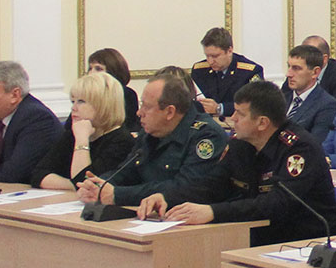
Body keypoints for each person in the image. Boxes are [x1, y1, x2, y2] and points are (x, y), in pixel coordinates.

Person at [142, 79, 336, 245]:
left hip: (306, 241)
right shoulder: (241, 144)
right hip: (256, 238)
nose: (233, 118)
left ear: (262, 123)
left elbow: (277, 204)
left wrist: (213, 212)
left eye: (240, 114)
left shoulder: (299, 149)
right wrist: (167, 197)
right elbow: (211, 185)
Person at [76, 73, 228, 221]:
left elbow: (185, 187)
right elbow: (126, 172)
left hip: (186, 222)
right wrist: (98, 185)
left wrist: (117, 194)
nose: (139, 112)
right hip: (148, 216)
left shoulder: (206, 136)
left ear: (169, 112)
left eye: (146, 107)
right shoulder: (151, 132)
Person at [33, 71, 135, 190]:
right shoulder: (73, 133)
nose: (73, 108)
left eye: (81, 101)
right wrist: (72, 185)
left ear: (103, 104)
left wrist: (82, 140)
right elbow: (38, 175)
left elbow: (86, 183)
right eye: (73, 101)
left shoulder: (122, 142)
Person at [192, 27, 263, 119]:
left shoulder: (250, 71)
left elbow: (255, 104)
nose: (210, 61)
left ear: (229, 51)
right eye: (207, 56)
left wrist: (220, 108)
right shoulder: (199, 70)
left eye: (215, 56)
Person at [280, 44, 336, 142]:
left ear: (315, 72)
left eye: (296, 68)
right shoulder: (282, 98)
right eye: (289, 67)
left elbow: (314, 144)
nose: (288, 74)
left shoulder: (327, 105)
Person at [86, 47, 139, 126]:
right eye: (90, 68)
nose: (91, 73)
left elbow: (129, 126)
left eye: (98, 69)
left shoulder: (127, 94)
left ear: (112, 71)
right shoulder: (86, 94)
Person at [300, 36, 336, 100]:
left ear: (324, 59)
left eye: (309, 56)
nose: (303, 60)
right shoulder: (295, 71)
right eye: (301, 56)